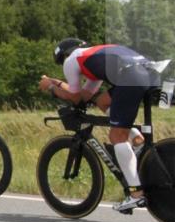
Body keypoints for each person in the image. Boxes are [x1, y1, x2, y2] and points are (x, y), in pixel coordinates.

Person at [39, 38, 159, 212]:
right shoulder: (94, 59)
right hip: (148, 71)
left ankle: (136, 195)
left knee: (116, 136)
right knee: (103, 102)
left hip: (131, 76)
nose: (63, 65)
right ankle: (136, 138)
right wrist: (56, 83)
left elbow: (75, 99)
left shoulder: (71, 60)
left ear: (65, 55)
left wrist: (50, 87)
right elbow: (84, 96)